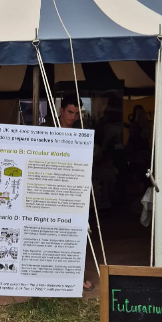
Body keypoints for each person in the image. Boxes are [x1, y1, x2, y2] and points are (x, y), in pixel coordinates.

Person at [59, 94, 94, 292]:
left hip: (75, 188)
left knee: (78, 233)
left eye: (76, 113)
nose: (72, 117)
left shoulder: (81, 134)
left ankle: (77, 276)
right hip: (54, 190)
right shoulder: (49, 132)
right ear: (61, 111)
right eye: (69, 112)